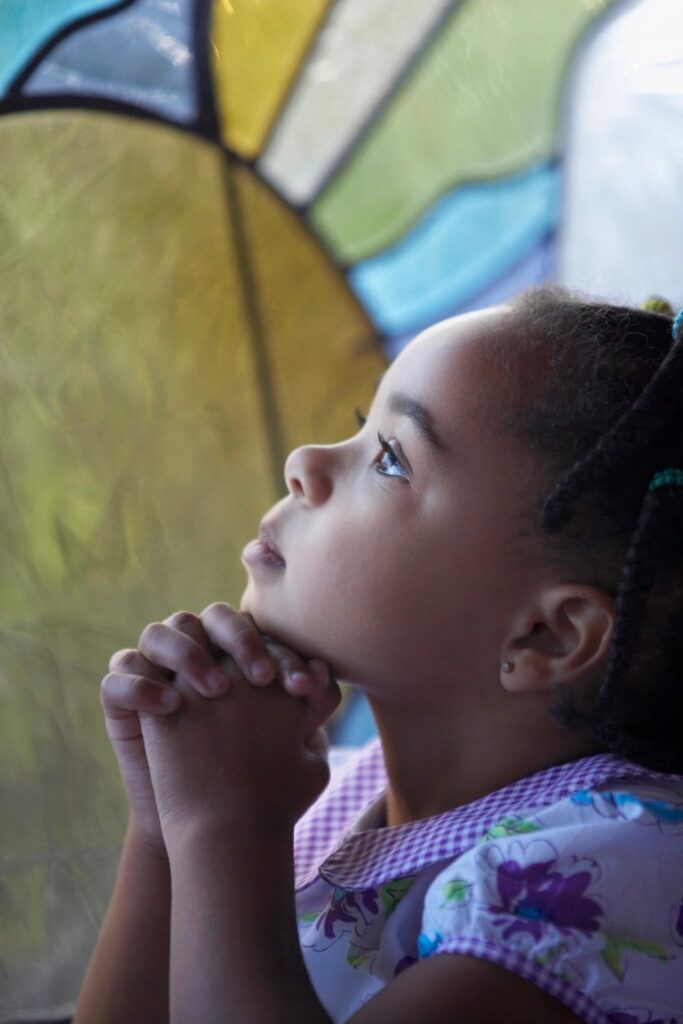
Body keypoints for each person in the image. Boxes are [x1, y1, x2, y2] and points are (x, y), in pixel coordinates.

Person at [74, 286, 683, 1024]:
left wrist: (224, 831)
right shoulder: (333, 789)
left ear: (545, 638)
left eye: (390, 458)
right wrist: (164, 828)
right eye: (362, 428)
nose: (304, 462)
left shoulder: (607, 875)